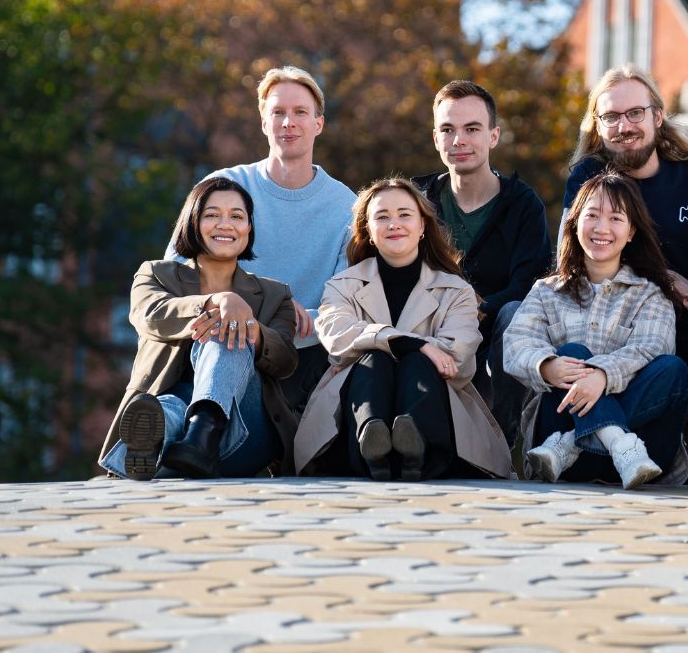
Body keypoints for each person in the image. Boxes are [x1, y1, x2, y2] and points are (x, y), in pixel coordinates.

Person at [563, 65, 688, 463]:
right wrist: (663, 278)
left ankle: (649, 444)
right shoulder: (588, 179)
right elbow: (569, 262)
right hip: (616, 336)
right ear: (596, 125)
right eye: (610, 116)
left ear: (657, 117)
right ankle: (644, 452)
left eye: (634, 114)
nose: (624, 126)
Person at [169, 66, 355, 425]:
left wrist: (272, 323)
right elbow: (174, 278)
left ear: (318, 123)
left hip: (297, 366)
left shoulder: (346, 207)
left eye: (300, 112)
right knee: (220, 349)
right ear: (263, 122)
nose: (289, 122)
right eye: (278, 112)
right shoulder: (221, 187)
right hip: (211, 346)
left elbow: (346, 306)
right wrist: (231, 311)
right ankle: (173, 432)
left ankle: (188, 434)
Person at [293, 177, 511, 481]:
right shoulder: (342, 285)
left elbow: (456, 357)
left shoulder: (456, 291)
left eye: (404, 214)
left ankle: (413, 438)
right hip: (350, 427)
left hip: (438, 424)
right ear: (368, 231)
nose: (394, 223)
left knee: (417, 364)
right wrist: (411, 343)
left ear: (422, 226)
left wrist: (410, 351)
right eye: (382, 217)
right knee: (374, 360)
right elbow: (335, 333)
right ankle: (372, 437)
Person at [102, 177, 298, 479]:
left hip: (246, 434)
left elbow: (286, 360)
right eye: (212, 214)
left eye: (236, 216)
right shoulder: (156, 274)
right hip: (179, 439)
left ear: (249, 228)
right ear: (193, 221)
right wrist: (214, 301)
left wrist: (250, 329)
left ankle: (198, 435)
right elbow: (151, 315)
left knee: (228, 331)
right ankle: (164, 439)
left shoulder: (275, 294)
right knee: (168, 406)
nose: (225, 224)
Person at [506, 171, 688, 488]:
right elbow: (515, 345)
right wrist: (547, 367)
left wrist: (601, 376)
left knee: (673, 369)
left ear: (632, 231)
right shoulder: (546, 292)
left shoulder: (650, 295)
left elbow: (651, 350)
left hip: (642, 455)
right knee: (570, 355)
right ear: (576, 223)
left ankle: (572, 443)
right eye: (592, 216)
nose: (601, 228)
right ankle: (617, 442)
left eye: (615, 218)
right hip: (570, 449)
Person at [415, 80, 552, 445]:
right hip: (428, 327)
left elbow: (530, 285)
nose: (459, 140)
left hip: (494, 327)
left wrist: (472, 311)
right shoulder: (418, 202)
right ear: (435, 138)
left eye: (471, 129)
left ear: (493, 136)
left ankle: (502, 442)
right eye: (448, 130)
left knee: (516, 312)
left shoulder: (523, 205)